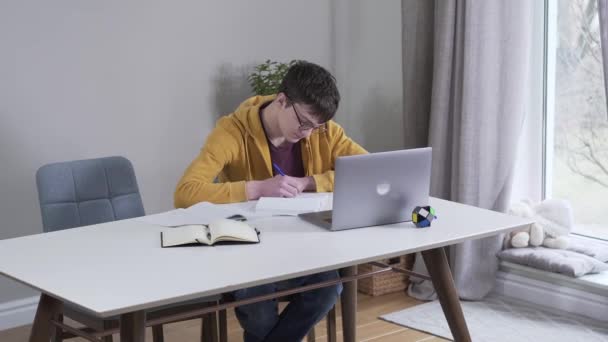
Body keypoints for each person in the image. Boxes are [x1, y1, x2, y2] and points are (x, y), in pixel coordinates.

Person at [174, 60, 367, 342]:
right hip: (249, 252)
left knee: (329, 288)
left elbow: (365, 168)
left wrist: (310, 182)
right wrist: (257, 188)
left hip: (303, 245)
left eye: (317, 126)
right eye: (303, 123)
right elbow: (186, 192)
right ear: (281, 101)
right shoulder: (232, 131)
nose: (308, 133)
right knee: (259, 311)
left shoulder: (320, 129)